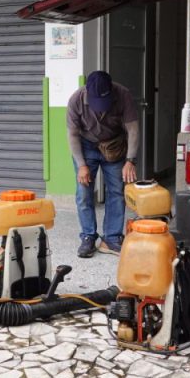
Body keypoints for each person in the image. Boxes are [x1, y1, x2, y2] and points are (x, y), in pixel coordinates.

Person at [67, 70, 139, 258]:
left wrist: (130, 160)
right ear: (87, 93)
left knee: (116, 191)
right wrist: (81, 165)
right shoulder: (76, 100)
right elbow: (72, 135)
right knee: (84, 193)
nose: (100, 108)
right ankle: (88, 237)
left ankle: (112, 238)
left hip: (113, 146)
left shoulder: (123, 95)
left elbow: (133, 129)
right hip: (85, 146)